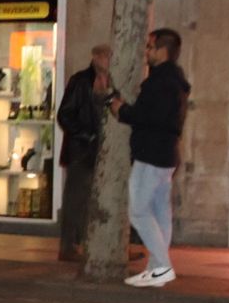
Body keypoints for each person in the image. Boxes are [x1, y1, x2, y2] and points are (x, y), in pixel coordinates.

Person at [110, 28, 190, 288]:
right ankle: (156, 270)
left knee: (139, 212)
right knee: (159, 212)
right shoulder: (174, 81)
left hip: (151, 153)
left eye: (150, 48)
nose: (146, 52)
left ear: (162, 50)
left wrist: (121, 109)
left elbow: (148, 116)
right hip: (165, 154)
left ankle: (162, 267)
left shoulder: (161, 82)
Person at [56, 44, 112, 261]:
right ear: (96, 57)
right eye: (106, 56)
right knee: (76, 199)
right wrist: (85, 134)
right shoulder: (81, 81)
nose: (109, 60)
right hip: (81, 151)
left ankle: (92, 245)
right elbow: (65, 114)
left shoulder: (111, 80)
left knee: (95, 201)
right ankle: (69, 246)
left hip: (100, 150)